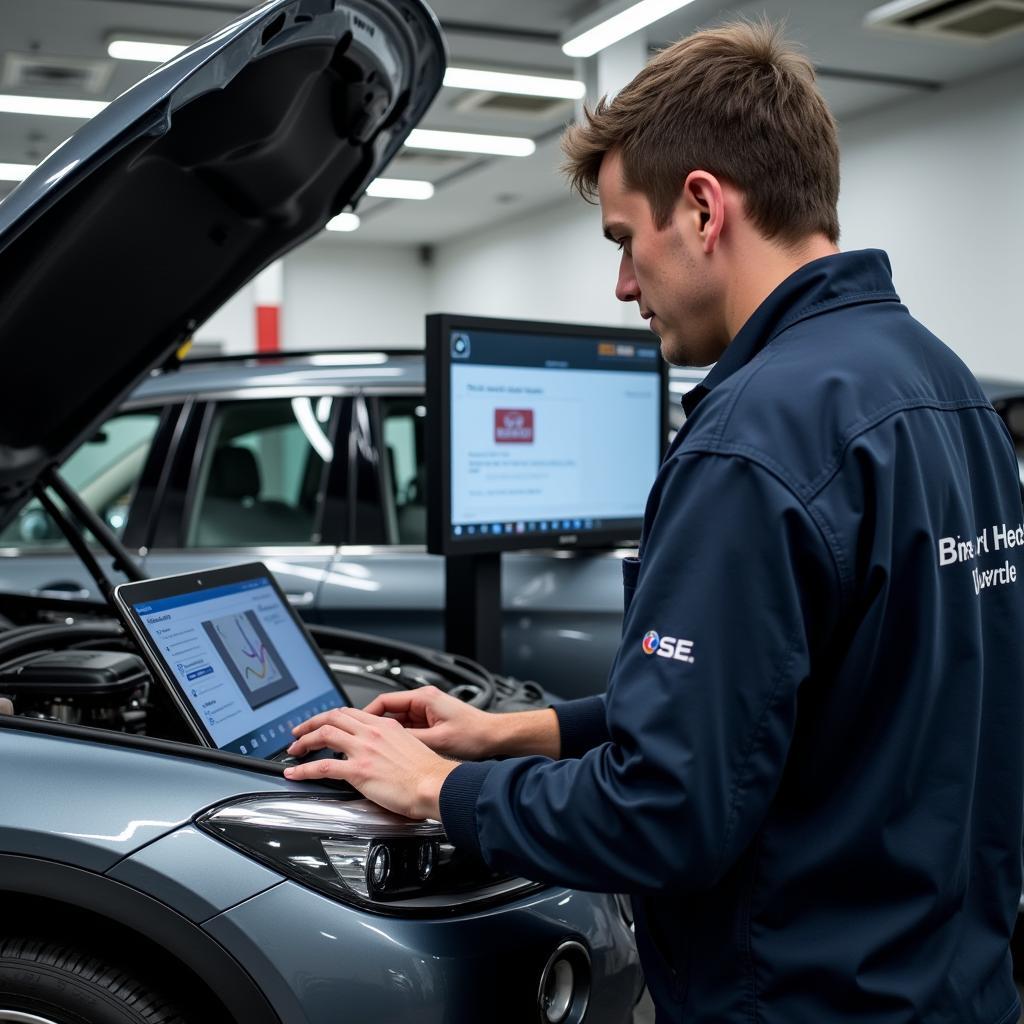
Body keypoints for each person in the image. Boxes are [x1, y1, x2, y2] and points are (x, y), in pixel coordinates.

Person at [284, 20, 1024, 1023]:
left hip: (801, 995)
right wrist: (514, 732)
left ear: (704, 208)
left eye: (625, 241)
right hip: (952, 982)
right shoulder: (942, 388)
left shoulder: (751, 441)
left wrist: (436, 790)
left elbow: (667, 814)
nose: (623, 286)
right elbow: (788, 700)